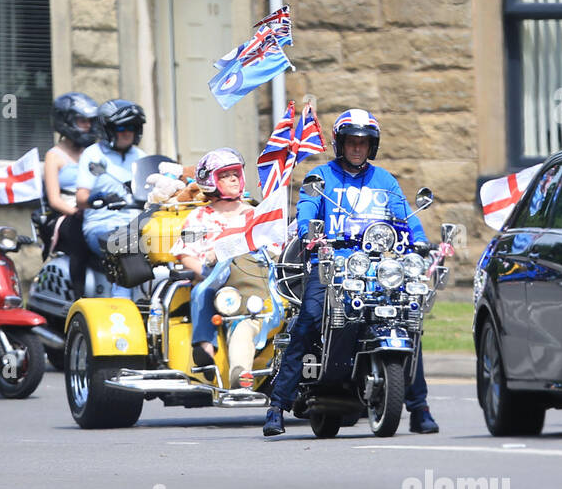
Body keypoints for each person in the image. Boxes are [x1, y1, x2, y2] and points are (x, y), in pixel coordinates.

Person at [263, 108, 439, 437]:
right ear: (339, 144)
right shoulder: (321, 177)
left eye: (363, 142)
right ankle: (277, 406)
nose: (357, 148)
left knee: (409, 320)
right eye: (351, 142)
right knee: (310, 319)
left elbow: (406, 217)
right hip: (332, 264)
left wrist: (420, 241)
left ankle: (419, 408)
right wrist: (310, 234)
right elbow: (306, 210)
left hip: (377, 267)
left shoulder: (385, 180)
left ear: (372, 146)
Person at [171, 148, 252, 368]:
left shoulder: (252, 214)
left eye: (236, 173)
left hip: (252, 277)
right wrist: (206, 273)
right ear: (211, 182)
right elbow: (185, 253)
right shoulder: (199, 216)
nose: (234, 178)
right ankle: (205, 345)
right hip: (217, 277)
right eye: (226, 175)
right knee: (201, 290)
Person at [76, 99, 146, 299]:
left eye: (132, 127)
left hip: (138, 226)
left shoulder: (140, 156)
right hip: (103, 225)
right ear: (107, 129)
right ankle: (121, 312)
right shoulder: (93, 154)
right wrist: (98, 197)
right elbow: (80, 198)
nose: (127, 132)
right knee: (125, 247)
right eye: (122, 127)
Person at [40, 93, 98, 294]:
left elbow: (104, 179)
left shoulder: (94, 153)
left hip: (94, 208)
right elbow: (54, 199)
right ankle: (79, 294)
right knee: (79, 233)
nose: (88, 126)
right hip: (66, 214)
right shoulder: (54, 156)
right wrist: (76, 212)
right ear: (66, 121)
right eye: (83, 121)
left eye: (91, 121)